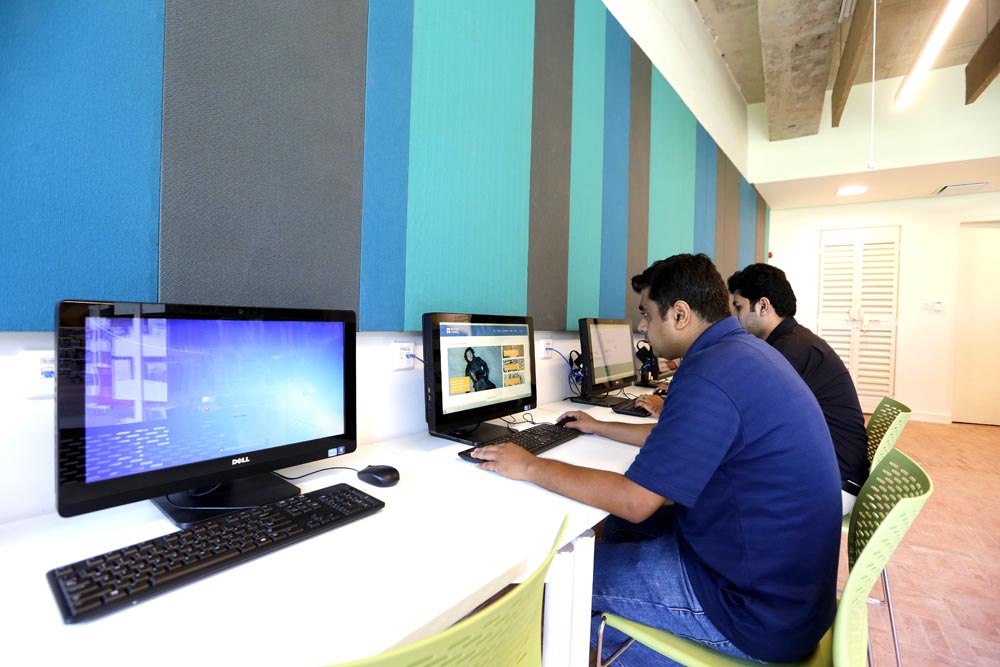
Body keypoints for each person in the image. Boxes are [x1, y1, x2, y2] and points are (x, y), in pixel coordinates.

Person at [472, 253, 842, 665]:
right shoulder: (740, 353)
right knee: (619, 530)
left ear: (680, 314)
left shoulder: (709, 372)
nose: (641, 327)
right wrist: (600, 427)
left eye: (647, 314)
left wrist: (529, 465)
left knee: (562, 580)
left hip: (751, 612)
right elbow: (677, 443)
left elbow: (636, 501)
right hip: (789, 596)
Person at [727, 262, 869, 514]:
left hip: (833, 485)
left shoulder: (789, 350)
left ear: (763, 305)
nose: (735, 317)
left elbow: (746, 413)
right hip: (835, 471)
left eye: (738, 307)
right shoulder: (794, 341)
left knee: (721, 485)